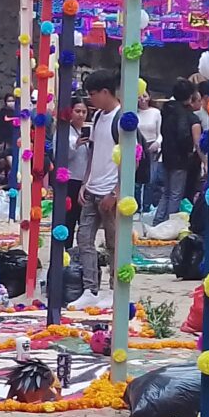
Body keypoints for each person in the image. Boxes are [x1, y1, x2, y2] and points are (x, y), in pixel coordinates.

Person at [71, 72, 122, 309]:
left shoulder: (121, 119)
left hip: (110, 192)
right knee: (84, 239)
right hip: (92, 188)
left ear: (105, 92)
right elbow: (94, 152)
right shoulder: (99, 116)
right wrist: (85, 181)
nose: (90, 100)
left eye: (93, 94)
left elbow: (131, 158)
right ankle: (90, 289)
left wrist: (116, 192)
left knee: (113, 243)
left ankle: (114, 289)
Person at [156, 87, 201, 225]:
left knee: (166, 192)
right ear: (189, 98)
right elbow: (188, 138)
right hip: (180, 159)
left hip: (166, 155)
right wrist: (189, 151)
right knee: (176, 193)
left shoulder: (167, 110)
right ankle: (169, 223)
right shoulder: (188, 116)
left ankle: (158, 220)